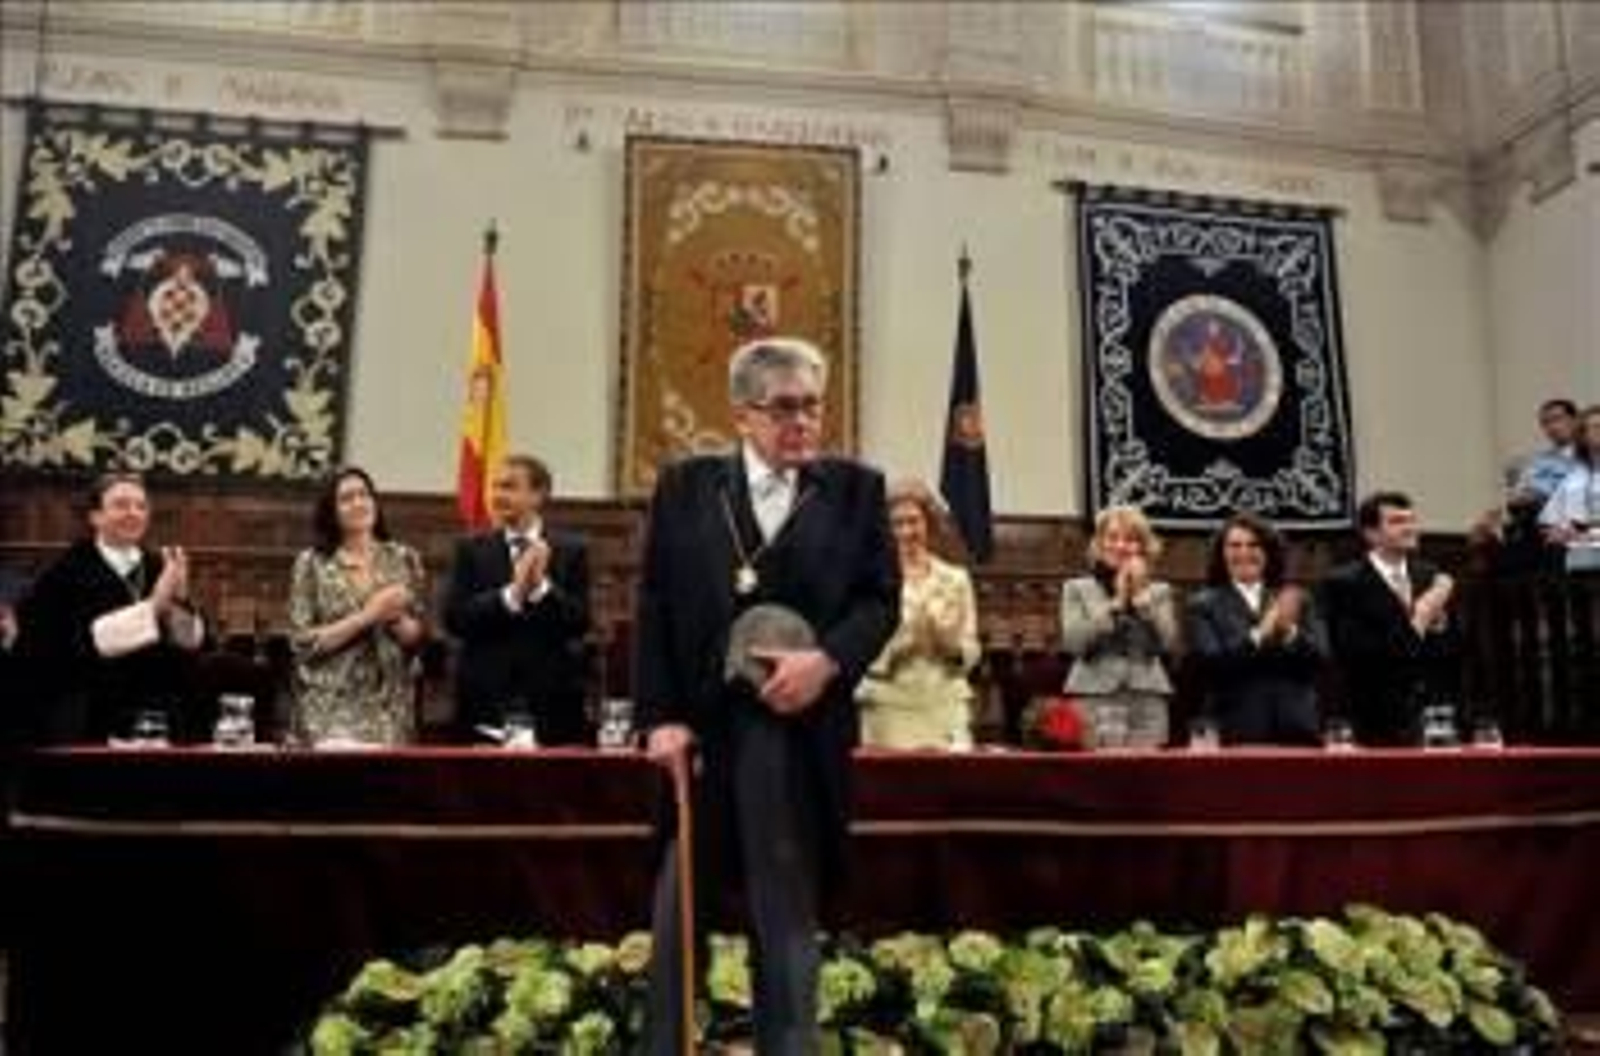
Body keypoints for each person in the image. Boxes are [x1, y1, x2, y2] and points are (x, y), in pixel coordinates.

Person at [635, 337, 898, 1054]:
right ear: (743, 413)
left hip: (797, 734)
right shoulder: (685, 487)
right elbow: (653, 606)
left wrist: (827, 662)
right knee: (675, 913)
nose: (804, 423)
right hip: (699, 736)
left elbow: (880, 603)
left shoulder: (856, 490)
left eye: (813, 406)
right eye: (785, 408)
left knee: (784, 915)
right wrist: (659, 719)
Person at [12, 472, 206, 744]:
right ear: (95, 517)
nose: (133, 513)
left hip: (157, 715)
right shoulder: (64, 573)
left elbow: (188, 645)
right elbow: (60, 646)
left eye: (141, 506)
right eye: (121, 505)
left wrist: (180, 602)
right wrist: (153, 607)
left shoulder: (160, 566)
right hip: (89, 714)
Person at [441, 454, 592, 745]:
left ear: (538, 494)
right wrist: (511, 594)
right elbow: (455, 619)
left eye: (509, 487)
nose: (497, 495)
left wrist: (540, 589)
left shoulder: (572, 551)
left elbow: (580, 621)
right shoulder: (470, 549)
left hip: (551, 704)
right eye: (495, 487)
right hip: (484, 701)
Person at [287, 466, 427, 746]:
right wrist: (368, 616)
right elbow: (302, 643)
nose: (359, 503)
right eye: (347, 498)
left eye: (365, 494)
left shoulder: (404, 557)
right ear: (331, 511)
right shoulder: (311, 563)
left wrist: (398, 621)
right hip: (330, 710)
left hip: (392, 710)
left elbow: (418, 637)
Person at [1320, 491, 1460, 745]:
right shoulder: (1344, 583)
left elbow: (1453, 648)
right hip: (1373, 720)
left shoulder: (1429, 575)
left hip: (1432, 717)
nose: (1409, 528)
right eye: (1397, 521)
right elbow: (1358, 656)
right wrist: (1422, 613)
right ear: (1371, 534)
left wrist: (1440, 627)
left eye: (1411, 520)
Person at [1184, 512, 1329, 745]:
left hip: (1296, 727)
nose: (1244, 553)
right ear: (1222, 553)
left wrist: (1290, 632)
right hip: (1236, 729)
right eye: (1234, 545)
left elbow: (1320, 660)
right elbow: (1211, 667)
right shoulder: (1202, 604)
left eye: (1254, 545)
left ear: (1269, 552)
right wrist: (1259, 634)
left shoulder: (1298, 598)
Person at [856, 479, 980, 750]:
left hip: (945, 702)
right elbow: (855, 651)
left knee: (950, 788)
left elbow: (972, 647)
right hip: (887, 704)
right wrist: (902, 644)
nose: (906, 531)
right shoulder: (866, 579)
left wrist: (951, 647)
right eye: (896, 523)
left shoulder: (956, 578)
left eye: (914, 521)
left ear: (929, 524)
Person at [1059, 505, 1179, 749]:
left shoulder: (1159, 592)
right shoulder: (1076, 588)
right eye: (1112, 537)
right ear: (1099, 543)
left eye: (1131, 539)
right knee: (1096, 778)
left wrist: (1144, 606)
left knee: (1146, 779)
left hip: (1146, 698)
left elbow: (1167, 644)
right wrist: (1114, 606)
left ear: (1143, 547)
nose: (1121, 546)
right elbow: (1074, 643)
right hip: (1092, 695)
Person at [1539, 403, 1600, 564]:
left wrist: (1589, 534)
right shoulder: (1574, 478)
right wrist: (1557, 532)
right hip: (1580, 562)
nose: (1598, 432)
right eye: (1593, 427)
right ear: (1583, 435)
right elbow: (1548, 524)